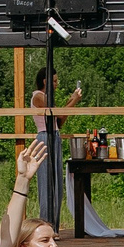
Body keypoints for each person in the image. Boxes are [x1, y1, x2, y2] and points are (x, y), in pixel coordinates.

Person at [30, 64, 84, 226]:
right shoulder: (38, 96)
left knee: (56, 183)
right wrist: (73, 99)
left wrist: (71, 102)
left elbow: (59, 121)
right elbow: (58, 113)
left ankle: (54, 225)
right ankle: (46, 223)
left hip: (54, 135)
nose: (56, 84)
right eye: (54, 81)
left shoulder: (48, 99)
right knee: (46, 182)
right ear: (45, 81)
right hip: (44, 137)